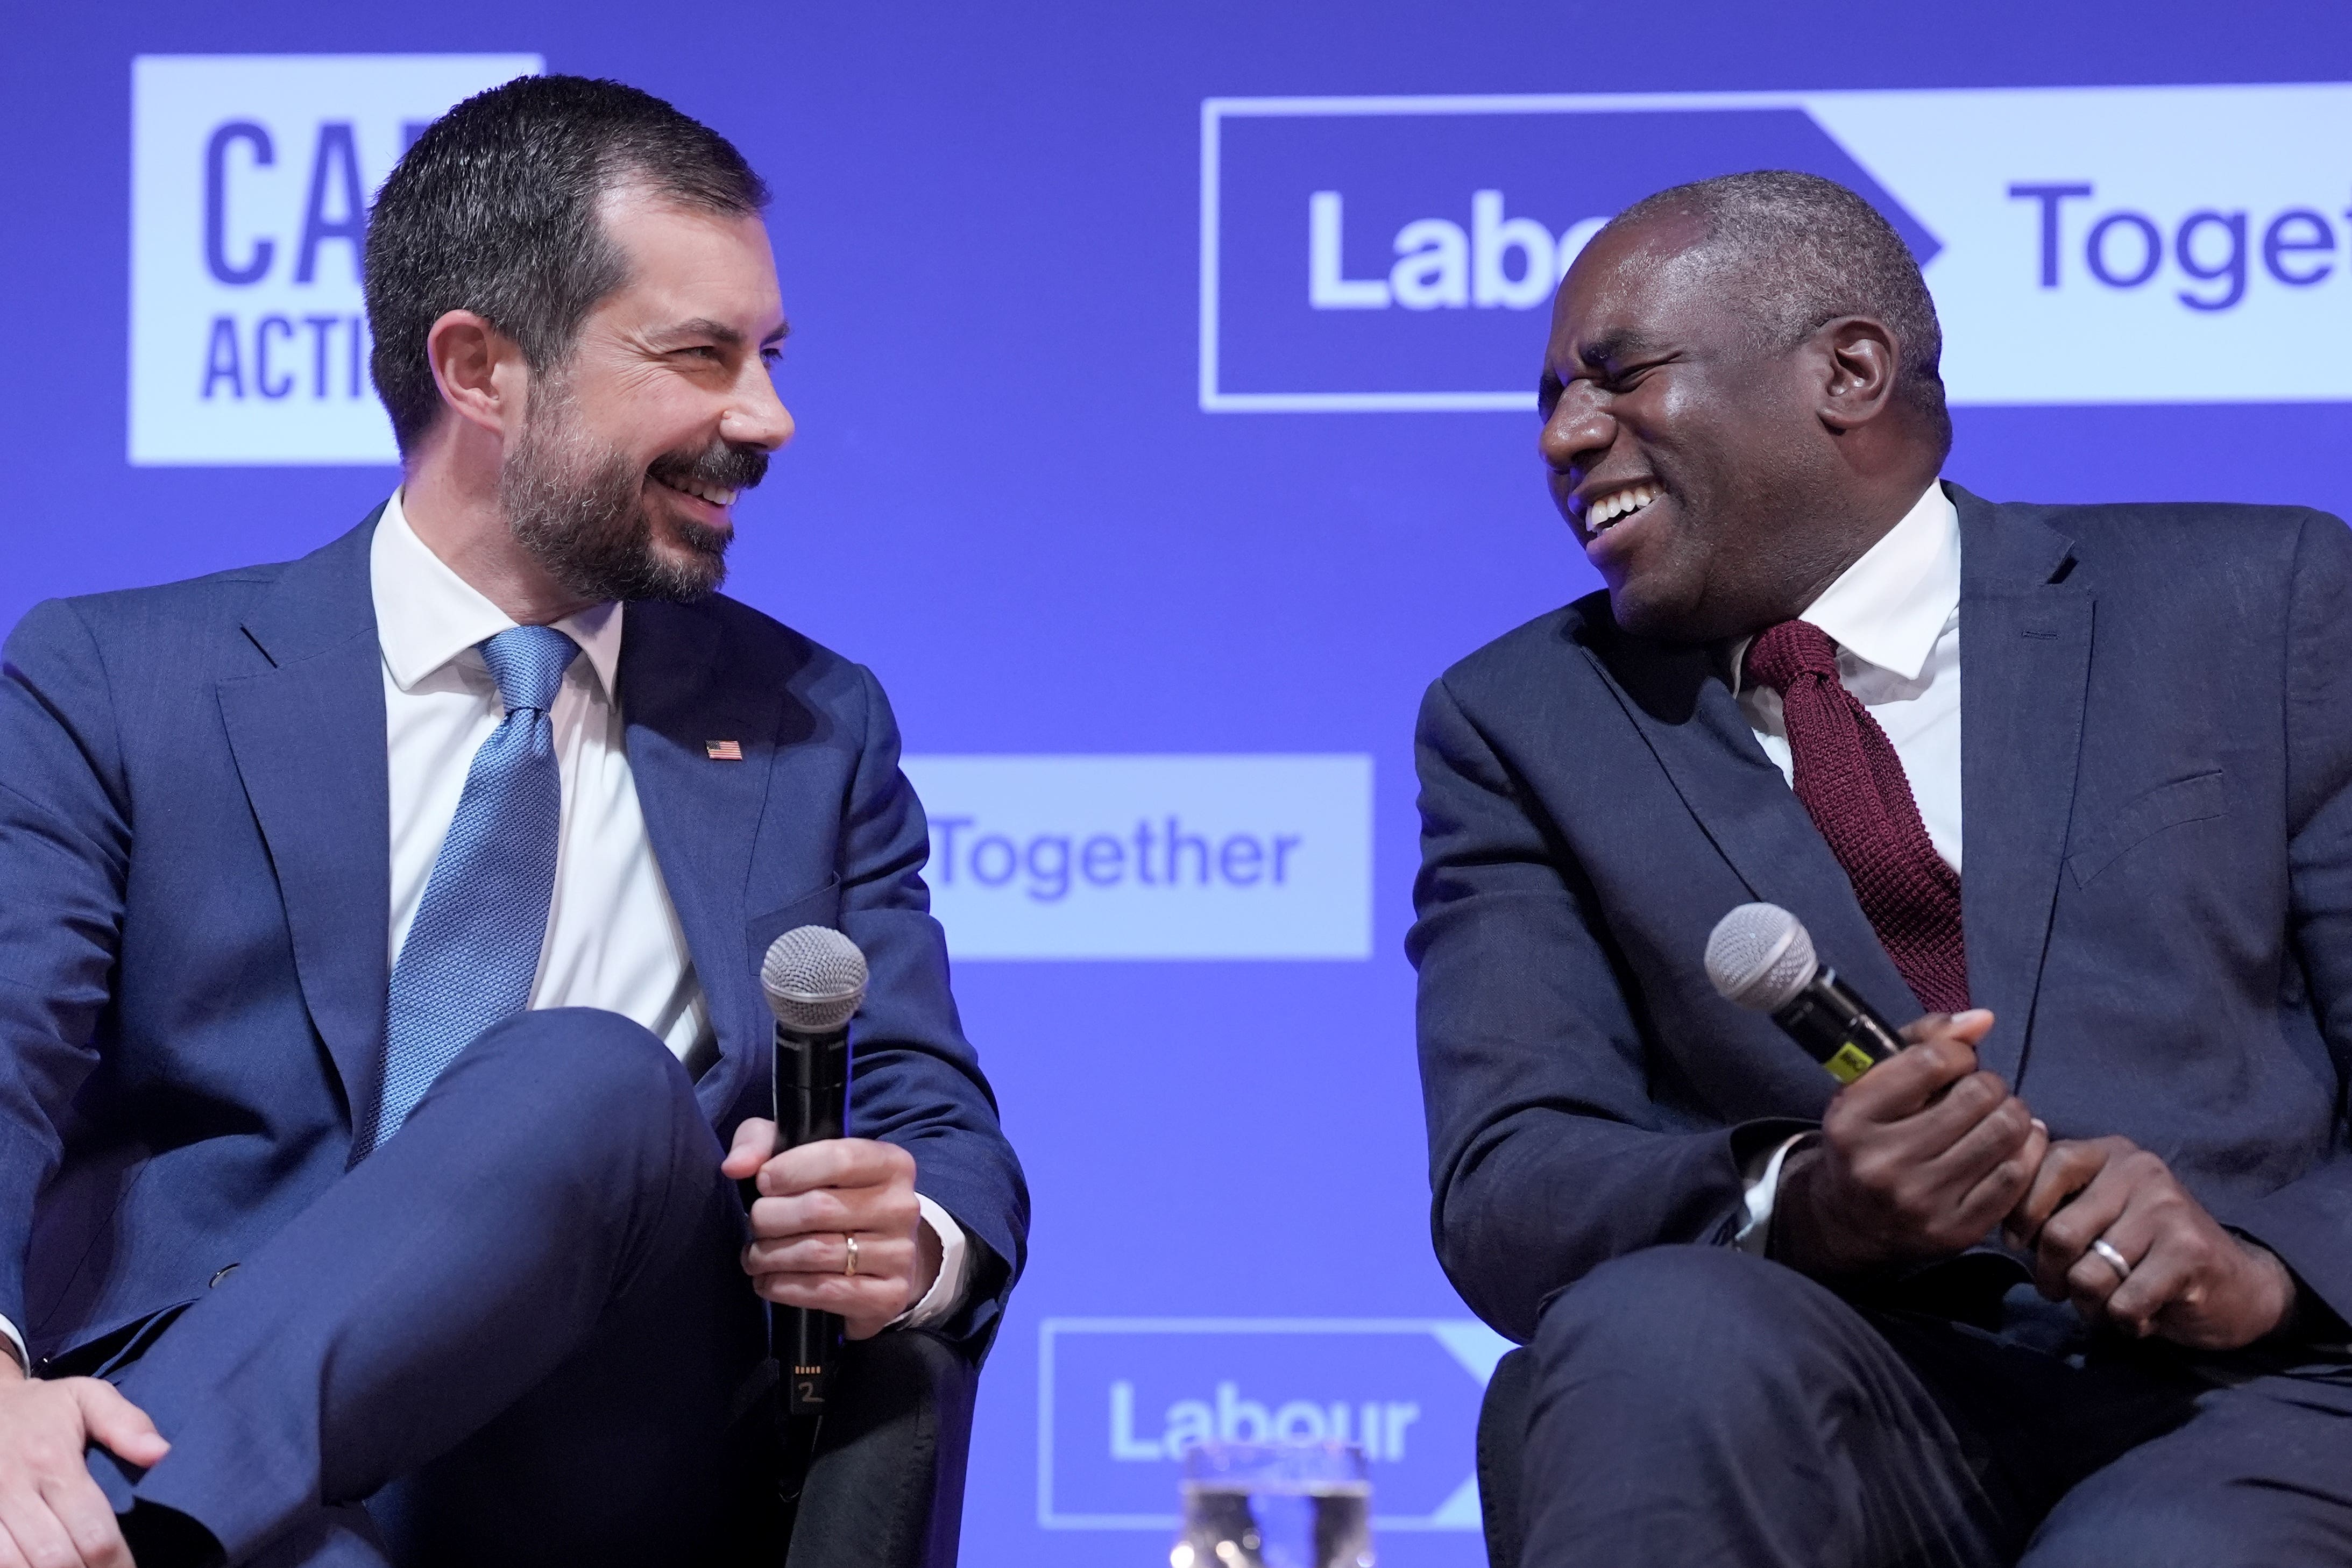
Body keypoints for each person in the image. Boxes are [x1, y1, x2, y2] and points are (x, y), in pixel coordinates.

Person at [0, 75, 1026, 1566]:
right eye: (699, 354)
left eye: (770, 354)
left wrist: (906, 1233)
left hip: (590, 1459)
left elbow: (940, 1127)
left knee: (595, 1078)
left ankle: (142, 1539)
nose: (769, 415)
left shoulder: (813, 720)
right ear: (482, 367)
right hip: (207, 1414)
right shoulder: (120, 679)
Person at [1410, 168, 2352, 1566]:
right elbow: (1510, 1181)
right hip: (1840, 1391)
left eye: (1616, 377)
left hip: (2254, 1396)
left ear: (1845, 369)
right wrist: (1807, 1200)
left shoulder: (2253, 603)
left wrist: (2261, 1273)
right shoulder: (1519, 722)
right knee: (1646, 1335)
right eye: (1549, 398)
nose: (1563, 435)